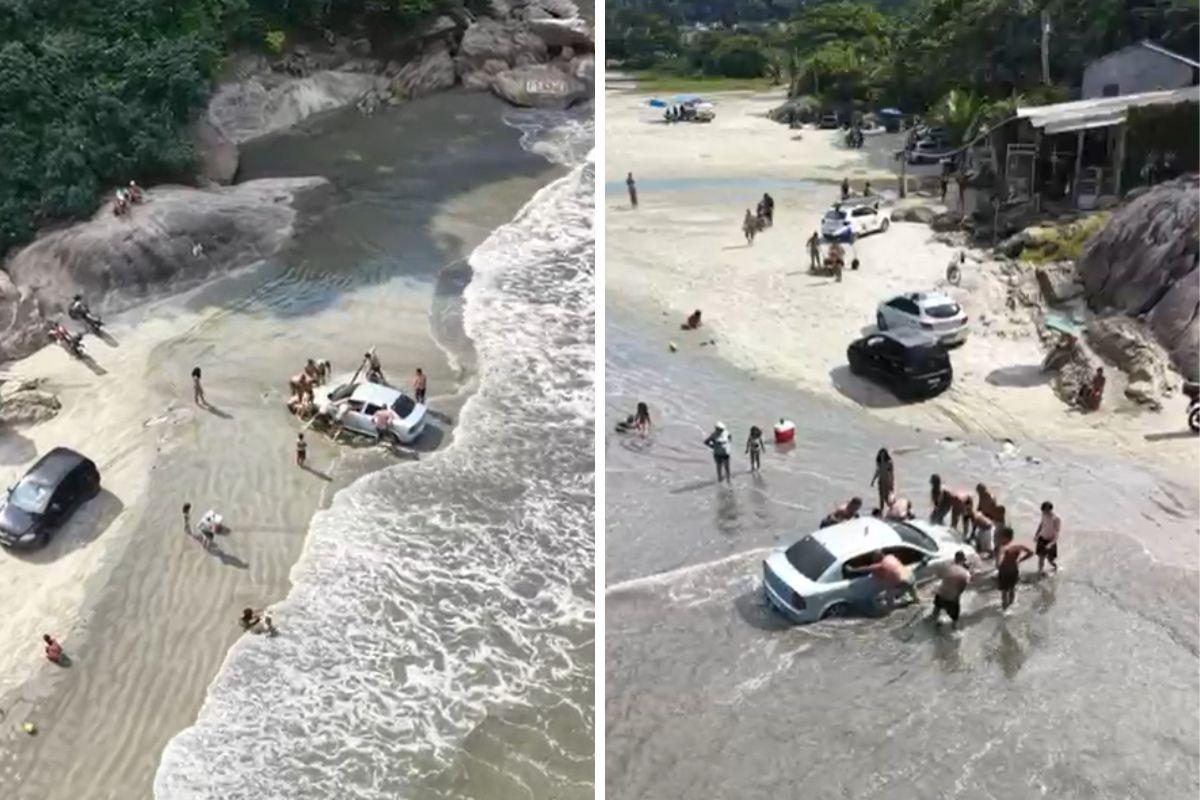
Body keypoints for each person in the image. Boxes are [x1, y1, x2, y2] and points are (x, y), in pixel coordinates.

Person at [846, 549, 919, 608]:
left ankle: (891, 609)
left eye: (874, 559)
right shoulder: (891, 557)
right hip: (910, 576)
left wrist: (852, 570)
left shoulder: (881, 565)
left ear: (878, 559)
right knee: (914, 595)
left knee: (888, 597)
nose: (873, 561)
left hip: (902, 582)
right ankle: (916, 600)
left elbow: (866, 569)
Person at [994, 526, 1034, 610]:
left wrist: (998, 564)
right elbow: (1031, 553)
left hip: (1004, 571)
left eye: (1000, 537)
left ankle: (1005, 608)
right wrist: (1020, 560)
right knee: (1012, 589)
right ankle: (1011, 605)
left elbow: (998, 563)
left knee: (1004, 592)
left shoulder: (1003, 548)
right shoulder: (1018, 546)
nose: (998, 539)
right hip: (1014, 570)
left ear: (1004, 537)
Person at [929, 551, 971, 630]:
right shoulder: (966, 574)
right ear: (963, 560)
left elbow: (939, 576)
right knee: (955, 620)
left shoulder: (947, 567)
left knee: (935, 612)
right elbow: (961, 588)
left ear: (955, 559)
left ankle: (934, 626)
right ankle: (954, 631)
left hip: (941, 594)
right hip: (952, 598)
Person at [1034, 501, 1060, 575]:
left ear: (1050, 509)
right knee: (1041, 558)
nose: (1043, 512)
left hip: (1051, 541)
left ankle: (1055, 567)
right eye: (1043, 511)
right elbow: (1041, 524)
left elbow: (1057, 534)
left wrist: (1051, 544)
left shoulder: (1056, 519)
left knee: (1050, 560)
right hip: (1042, 538)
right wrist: (1036, 534)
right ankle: (1040, 572)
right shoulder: (1043, 515)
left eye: (1045, 510)